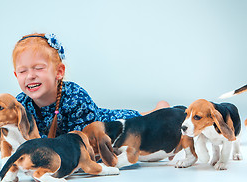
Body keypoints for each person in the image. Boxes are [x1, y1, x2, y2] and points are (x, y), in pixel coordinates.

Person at [13, 33, 169, 138]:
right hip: (59, 143)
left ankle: (159, 110)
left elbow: (83, 140)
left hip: (103, 127)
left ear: (59, 72)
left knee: (139, 124)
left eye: (38, 68)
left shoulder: (75, 98)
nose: (30, 76)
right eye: (22, 71)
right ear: (15, 75)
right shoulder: (20, 104)